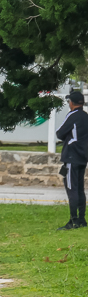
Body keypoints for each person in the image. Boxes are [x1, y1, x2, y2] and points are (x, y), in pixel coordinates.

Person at [55, 90, 88, 230]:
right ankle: (82, 219)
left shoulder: (72, 115)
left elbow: (60, 133)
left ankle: (73, 220)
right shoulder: (86, 117)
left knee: (71, 188)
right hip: (83, 157)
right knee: (80, 189)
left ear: (72, 103)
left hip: (71, 157)